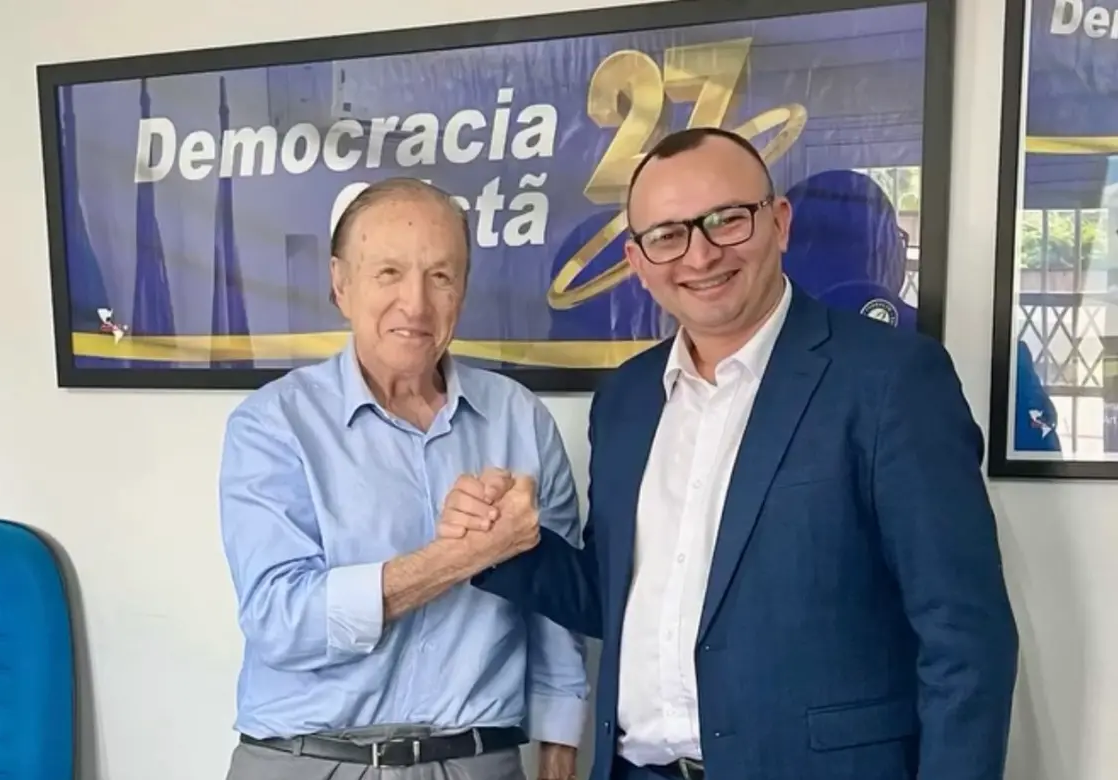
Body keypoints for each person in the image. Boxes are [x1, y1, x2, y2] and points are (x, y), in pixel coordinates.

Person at [440, 128, 1020, 780]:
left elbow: (965, 638)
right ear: (637, 261)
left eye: (726, 220)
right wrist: (506, 546)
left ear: (779, 222)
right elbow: (616, 594)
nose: (701, 254)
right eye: (668, 235)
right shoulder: (627, 400)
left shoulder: (890, 380)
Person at [218, 177, 588, 780]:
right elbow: (280, 621)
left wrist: (559, 742)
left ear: (462, 288)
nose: (415, 304)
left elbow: (556, 610)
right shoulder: (272, 423)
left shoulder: (520, 419)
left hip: (477, 761)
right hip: (309, 760)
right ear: (340, 283)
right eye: (388, 272)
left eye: (440, 276)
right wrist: (463, 556)